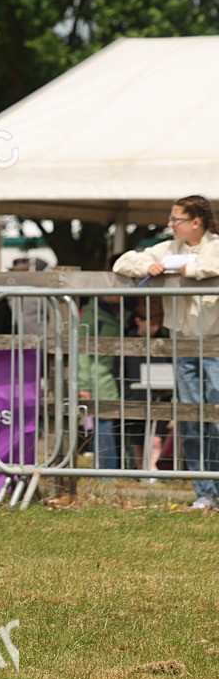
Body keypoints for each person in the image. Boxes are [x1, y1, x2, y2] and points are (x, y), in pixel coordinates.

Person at [114, 194, 219, 508]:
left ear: (196, 222)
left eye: (176, 219)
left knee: (215, 418)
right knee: (190, 419)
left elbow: (211, 265)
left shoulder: (215, 247)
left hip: (216, 344)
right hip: (184, 345)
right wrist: (150, 265)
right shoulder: (166, 248)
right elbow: (122, 262)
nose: (170, 224)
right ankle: (205, 492)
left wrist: (192, 269)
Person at [118, 299, 171, 475]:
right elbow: (118, 369)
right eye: (151, 323)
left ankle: (153, 470)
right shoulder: (126, 340)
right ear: (138, 320)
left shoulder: (165, 340)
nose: (154, 328)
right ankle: (141, 471)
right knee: (138, 438)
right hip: (135, 396)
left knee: (156, 438)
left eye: (158, 324)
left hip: (161, 396)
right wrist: (125, 393)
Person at [77, 293, 122, 471]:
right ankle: (106, 471)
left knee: (112, 424)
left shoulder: (115, 312)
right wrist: (85, 385)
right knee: (105, 424)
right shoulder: (91, 317)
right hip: (99, 377)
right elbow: (82, 352)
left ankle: (116, 468)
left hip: (112, 374)